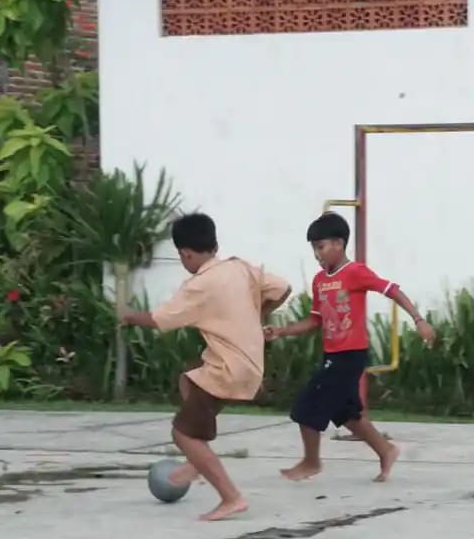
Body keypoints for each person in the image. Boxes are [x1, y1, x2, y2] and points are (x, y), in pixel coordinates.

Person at [120, 212, 291, 522]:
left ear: (186, 253)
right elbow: (283, 288)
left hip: (227, 369)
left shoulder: (199, 285)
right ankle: (197, 459)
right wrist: (257, 315)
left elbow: (161, 319)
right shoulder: (240, 268)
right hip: (247, 363)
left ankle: (230, 497)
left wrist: (130, 317)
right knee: (188, 378)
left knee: (182, 434)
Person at [265, 211, 435, 482]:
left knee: (306, 409)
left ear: (339, 243)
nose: (317, 254)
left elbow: (391, 289)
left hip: (350, 356)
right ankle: (386, 450)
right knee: (346, 414)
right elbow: (315, 320)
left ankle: (311, 462)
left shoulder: (355, 272)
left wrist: (418, 319)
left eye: (321, 247)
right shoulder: (320, 280)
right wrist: (282, 331)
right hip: (331, 354)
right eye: (313, 249)